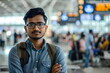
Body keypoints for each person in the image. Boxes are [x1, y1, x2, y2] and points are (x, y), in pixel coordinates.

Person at [8, 8, 67, 73]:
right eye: (31, 24)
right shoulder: (16, 52)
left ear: (46, 28)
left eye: (40, 24)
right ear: (25, 28)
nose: (36, 28)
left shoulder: (56, 52)